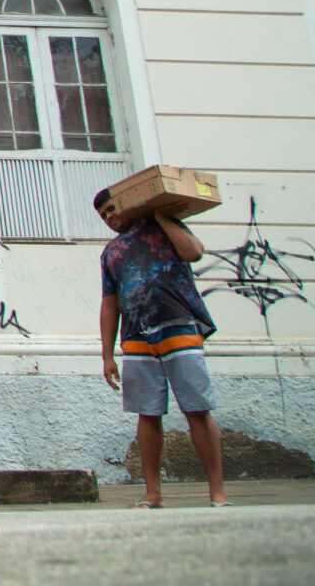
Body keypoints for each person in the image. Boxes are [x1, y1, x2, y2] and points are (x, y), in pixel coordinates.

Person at [95, 189, 229, 508]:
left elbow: (193, 253)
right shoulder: (111, 252)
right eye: (103, 215)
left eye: (112, 209)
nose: (109, 217)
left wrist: (160, 215)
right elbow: (110, 305)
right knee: (147, 413)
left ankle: (217, 493)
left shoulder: (164, 228)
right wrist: (107, 355)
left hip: (178, 326)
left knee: (196, 408)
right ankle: (153, 493)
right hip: (137, 335)